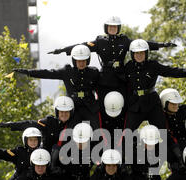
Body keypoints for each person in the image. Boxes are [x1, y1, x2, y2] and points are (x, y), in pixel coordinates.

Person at [48, 16, 176, 110]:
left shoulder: (125, 40)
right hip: (105, 78)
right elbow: (82, 46)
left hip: (121, 77)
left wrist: (161, 45)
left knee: (123, 103)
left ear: (118, 28)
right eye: (110, 27)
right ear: (106, 28)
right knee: (103, 104)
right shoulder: (99, 41)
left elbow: (142, 45)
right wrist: (63, 50)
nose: (112, 29)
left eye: (115, 27)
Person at [124, 39, 186, 132]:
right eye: (136, 53)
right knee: (127, 133)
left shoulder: (153, 65)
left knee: (163, 132)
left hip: (152, 103)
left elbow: (171, 71)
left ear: (146, 53)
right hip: (135, 104)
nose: (139, 55)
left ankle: (165, 147)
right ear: (132, 54)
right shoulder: (128, 67)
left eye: (142, 53)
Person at [14, 45, 100, 129]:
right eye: (78, 60)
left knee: (96, 130)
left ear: (88, 60)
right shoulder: (67, 71)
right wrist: (28, 72)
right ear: (74, 60)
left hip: (90, 107)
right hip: (72, 109)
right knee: (70, 131)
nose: (81, 63)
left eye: (83, 60)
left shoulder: (94, 72)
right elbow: (48, 73)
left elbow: (101, 87)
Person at [0, 96, 79, 152]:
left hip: (66, 161)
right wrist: (9, 124)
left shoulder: (75, 126)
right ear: (57, 112)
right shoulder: (49, 122)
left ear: (71, 112)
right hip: (45, 160)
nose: (64, 114)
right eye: (61, 112)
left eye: (66, 112)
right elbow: (29, 124)